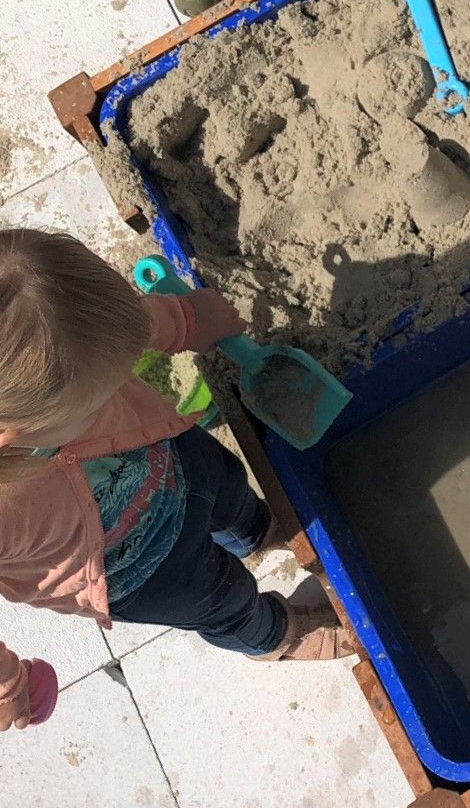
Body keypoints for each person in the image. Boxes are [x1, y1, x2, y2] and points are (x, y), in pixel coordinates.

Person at [0, 229, 353, 733]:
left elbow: (112, 327)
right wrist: (8, 687)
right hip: (133, 568)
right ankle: (276, 637)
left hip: (165, 455)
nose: (117, 384)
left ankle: (260, 533)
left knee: (229, 490)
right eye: (97, 399)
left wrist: (181, 320)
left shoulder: (49, 333)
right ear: (14, 434)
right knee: (223, 600)